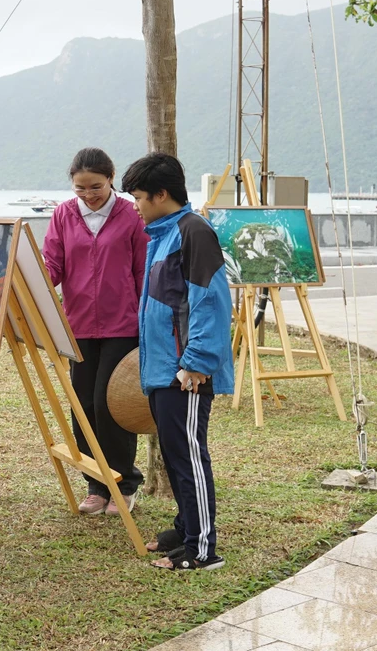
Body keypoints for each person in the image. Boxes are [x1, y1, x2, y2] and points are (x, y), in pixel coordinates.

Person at [120, 152, 233, 571]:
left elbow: (212, 303)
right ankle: (186, 527)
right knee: (174, 452)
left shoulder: (193, 232)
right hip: (166, 370)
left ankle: (202, 549)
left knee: (187, 456)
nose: (135, 206)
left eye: (138, 198)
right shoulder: (164, 233)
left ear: (161, 194)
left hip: (186, 373)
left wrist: (197, 362)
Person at [42, 148, 148, 516]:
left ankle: (124, 482)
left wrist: (147, 319)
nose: (88, 195)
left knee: (111, 406)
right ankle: (96, 485)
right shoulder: (62, 214)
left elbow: (142, 271)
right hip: (79, 325)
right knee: (84, 407)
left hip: (123, 324)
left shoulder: (132, 215)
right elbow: (52, 264)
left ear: (111, 179)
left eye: (96, 187)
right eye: (80, 189)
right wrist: (29, 284)